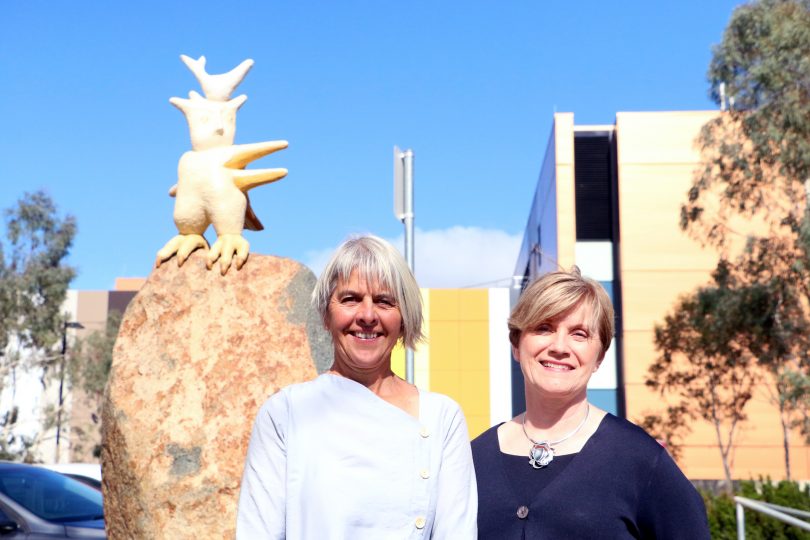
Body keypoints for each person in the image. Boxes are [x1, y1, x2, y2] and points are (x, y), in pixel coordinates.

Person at [236, 235, 477, 539]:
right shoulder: (285, 414)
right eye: (350, 299)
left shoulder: (441, 418)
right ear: (326, 314)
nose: (367, 316)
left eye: (384, 301)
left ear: (404, 318)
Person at [472, 268, 709, 539]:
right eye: (544, 328)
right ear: (516, 344)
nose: (559, 346)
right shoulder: (472, 460)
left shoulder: (639, 459)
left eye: (579, 334)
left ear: (599, 357)